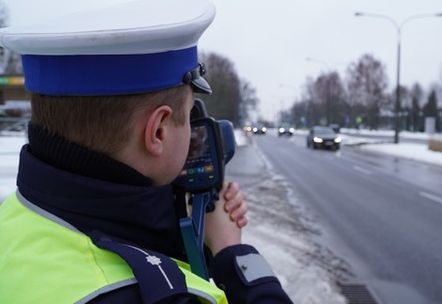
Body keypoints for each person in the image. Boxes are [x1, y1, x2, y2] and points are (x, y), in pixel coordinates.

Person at [0, 0, 293, 303]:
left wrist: (178, 222)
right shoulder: (157, 296)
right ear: (158, 131)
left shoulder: (14, 219)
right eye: (189, 114)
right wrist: (232, 252)